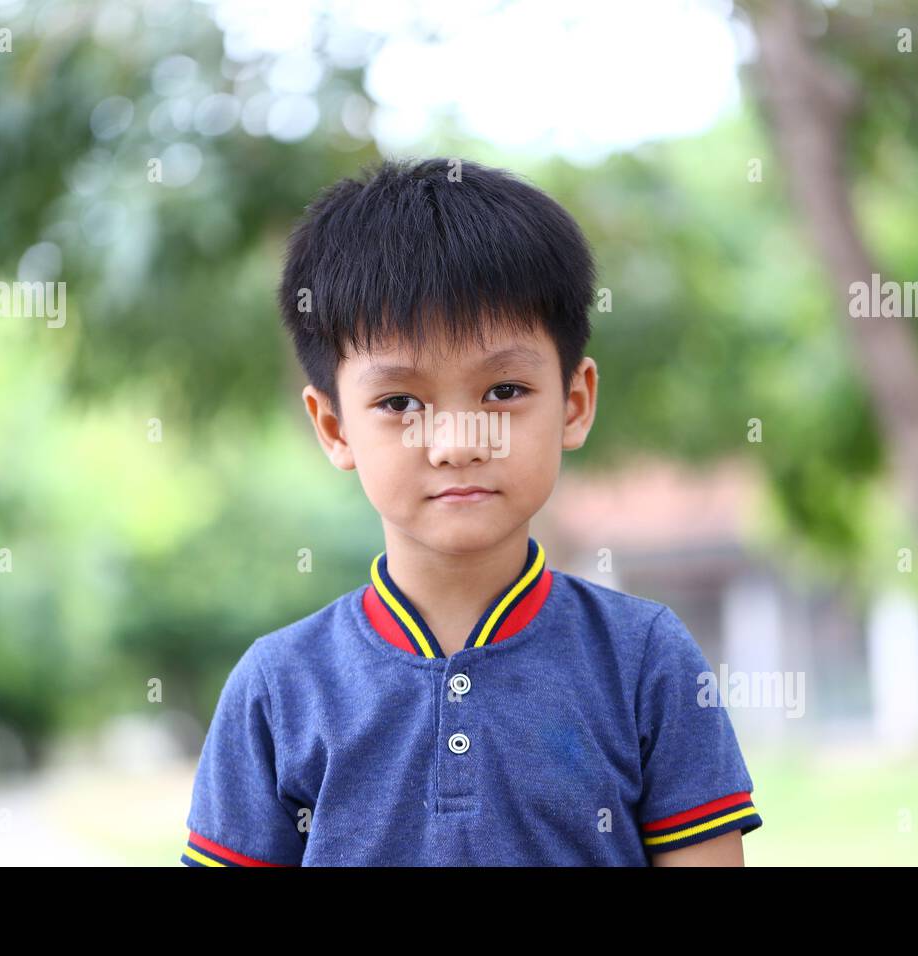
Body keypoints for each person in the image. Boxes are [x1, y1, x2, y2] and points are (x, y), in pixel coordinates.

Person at [181, 157, 762, 866]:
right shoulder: (277, 688)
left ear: (574, 403)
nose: (457, 444)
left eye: (504, 391)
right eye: (400, 403)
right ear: (334, 428)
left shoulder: (644, 660)